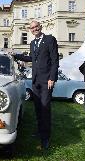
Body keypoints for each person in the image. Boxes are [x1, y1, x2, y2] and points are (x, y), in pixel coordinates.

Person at [12, 20, 59, 150]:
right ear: (30, 30)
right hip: (36, 80)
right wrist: (16, 56)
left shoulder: (50, 39)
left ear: (40, 27)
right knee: (38, 107)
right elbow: (31, 58)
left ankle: (45, 137)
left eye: (36, 27)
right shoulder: (32, 43)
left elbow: (55, 60)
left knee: (45, 107)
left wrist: (52, 78)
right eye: (32, 28)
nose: (34, 29)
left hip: (46, 81)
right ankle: (40, 131)